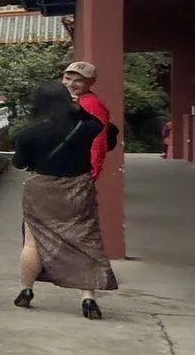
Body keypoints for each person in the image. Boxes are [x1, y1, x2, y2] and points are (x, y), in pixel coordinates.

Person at [12, 81, 118, 317]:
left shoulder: (29, 133)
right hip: (77, 189)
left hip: (42, 190)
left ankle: (26, 290)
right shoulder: (86, 126)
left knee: (32, 242)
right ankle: (88, 298)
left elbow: (19, 163)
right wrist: (76, 107)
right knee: (85, 241)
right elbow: (107, 132)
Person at [62, 60, 116, 179]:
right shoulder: (68, 100)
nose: (70, 84)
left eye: (78, 80)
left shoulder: (91, 104)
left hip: (77, 169)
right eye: (67, 78)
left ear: (91, 83)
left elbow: (98, 139)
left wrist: (93, 169)